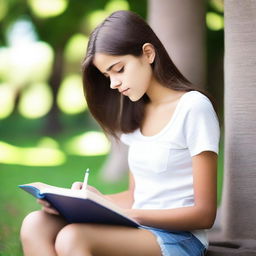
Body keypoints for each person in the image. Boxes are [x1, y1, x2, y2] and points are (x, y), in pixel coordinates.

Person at [20, 10, 220, 256]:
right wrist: (93, 200)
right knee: (35, 224)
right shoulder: (136, 113)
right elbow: (137, 196)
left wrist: (131, 215)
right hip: (137, 227)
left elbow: (204, 214)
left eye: (119, 69)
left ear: (148, 53)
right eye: (107, 75)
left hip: (180, 238)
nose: (113, 83)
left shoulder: (193, 107)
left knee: (73, 238)